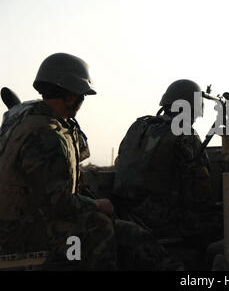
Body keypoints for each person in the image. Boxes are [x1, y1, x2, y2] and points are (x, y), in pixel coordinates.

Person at [0, 53, 181, 270]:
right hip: (20, 234)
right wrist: (96, 205)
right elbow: (56, 203)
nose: (82, 101)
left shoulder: (31, 119)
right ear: (68, 95)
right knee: (98, 228)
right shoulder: (46, 135)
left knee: (131, 235)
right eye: (81, 95)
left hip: (23, 224)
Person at [113, 79, 222, 270]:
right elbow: (200, 193)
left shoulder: (138, 126)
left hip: (126, 213)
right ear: (194, 109)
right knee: (227, 224)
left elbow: (120, 162)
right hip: (162, 221)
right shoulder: (185, 134)